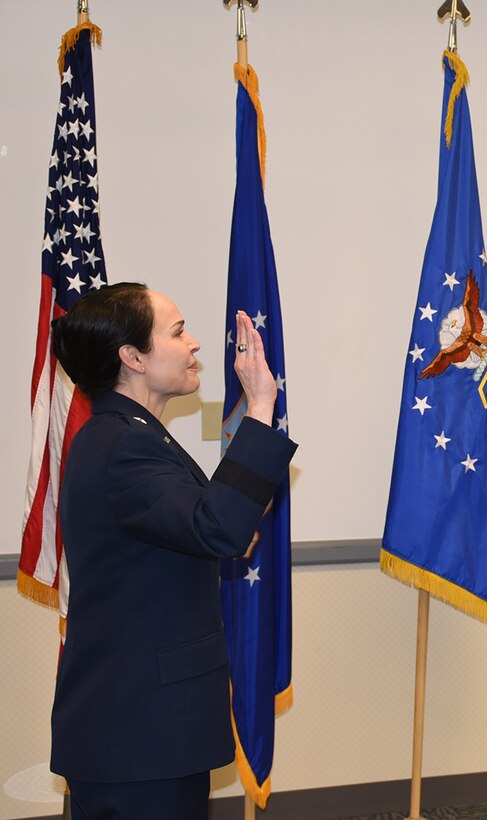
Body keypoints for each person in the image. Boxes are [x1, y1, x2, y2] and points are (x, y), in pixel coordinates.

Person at [48, 282, 297, 820]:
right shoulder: (123, 444)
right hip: (138, 736)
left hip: (142, 731)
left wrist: (217, 527)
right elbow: (218, 528)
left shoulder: (129, 435)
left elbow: (197, 526)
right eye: (178, 332)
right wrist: (260, 405)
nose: (195, 345)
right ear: (133, 357)